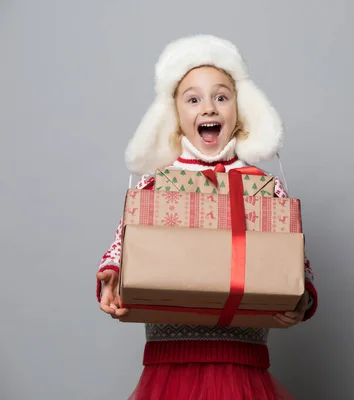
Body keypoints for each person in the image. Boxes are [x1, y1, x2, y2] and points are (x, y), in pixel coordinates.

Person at [95, 34, 318, 400]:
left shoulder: (265, 189)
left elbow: (297, 266)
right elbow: (123, 246)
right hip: (170, 363)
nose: (209, 108)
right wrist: (112, 276)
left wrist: (300, 300)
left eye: (221, 97)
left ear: (239, 110)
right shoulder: (156, 185)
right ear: (176, 114)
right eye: (194, 99)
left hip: (241, 362)